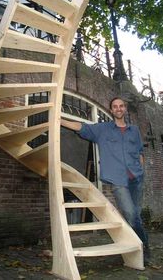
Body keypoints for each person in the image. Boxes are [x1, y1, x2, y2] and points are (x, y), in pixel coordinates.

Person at [61, 96, 150, 263]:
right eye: (115, 106)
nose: (118, 108)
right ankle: (144, 247)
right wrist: (60, 120)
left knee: (135, 215)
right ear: (111, 110)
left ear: (125, 109)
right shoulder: (103, 130)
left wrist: (142, 171)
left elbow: (139, 152)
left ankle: (135, 246)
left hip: (136, 178)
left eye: (121, 106)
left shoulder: (135, 130)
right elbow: (82, 127)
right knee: (130, 214)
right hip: (118, 181)